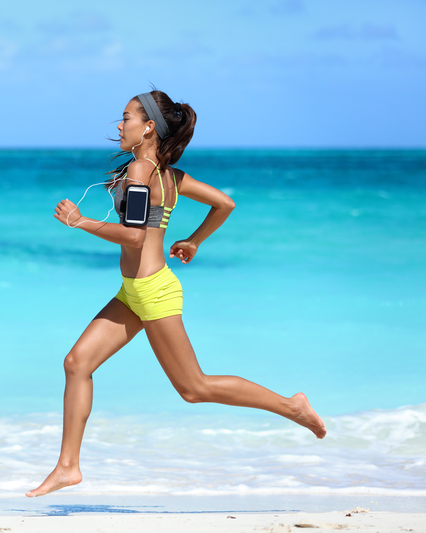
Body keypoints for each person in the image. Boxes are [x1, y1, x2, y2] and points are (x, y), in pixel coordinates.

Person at [25, 90, 327, 498]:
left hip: (152, 292)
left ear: (148, 126)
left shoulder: (140, 172)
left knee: (194, 388)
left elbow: (134, 237)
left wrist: (80, 222)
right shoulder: (169, 176)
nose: (119, 125)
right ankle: (67, 467)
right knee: (77, 362)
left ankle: (292, 406)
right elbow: (224, 203)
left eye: (126, 117)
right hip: (134, 291)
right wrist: (195, 241)